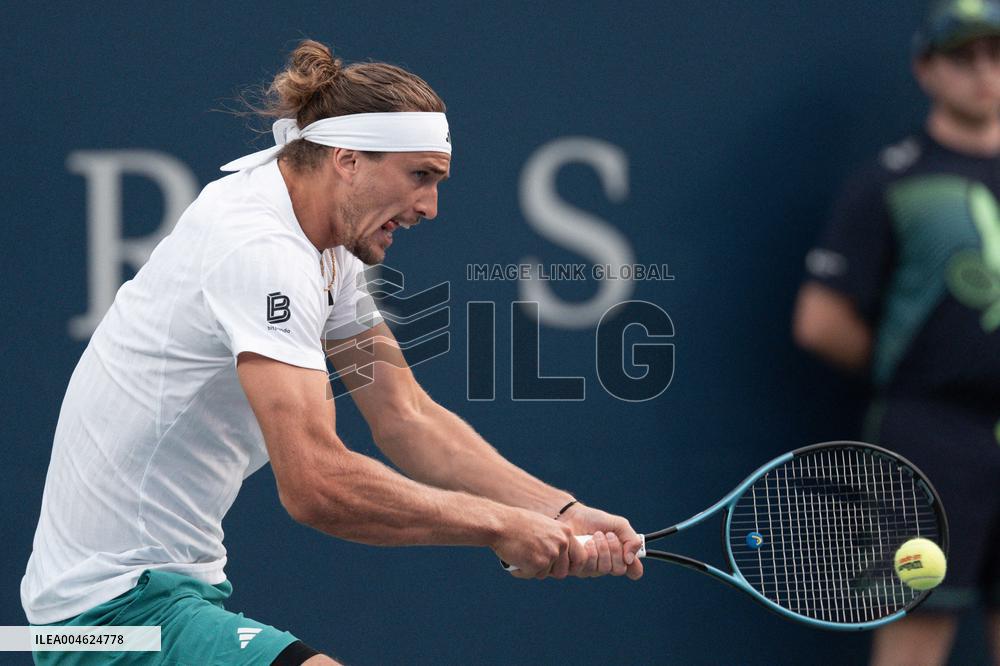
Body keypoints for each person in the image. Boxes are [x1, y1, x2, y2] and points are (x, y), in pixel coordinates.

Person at [21, 40, 644, 666]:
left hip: (163, 599)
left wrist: (556, 510)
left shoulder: (323, 244)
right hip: (109, 618)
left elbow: (406, 418)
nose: (430, 206)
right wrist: (499, 526)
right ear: (346, 159)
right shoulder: (261, 251)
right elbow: (316, 484)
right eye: (419, 175)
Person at [793, 2, 1000, 664]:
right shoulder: (890, 180)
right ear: (925, 69)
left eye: (997, 54)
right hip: (928, 442)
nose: (984, 74)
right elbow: (821, 322)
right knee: (915, 635)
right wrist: (928, 374)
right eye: (963, 57)